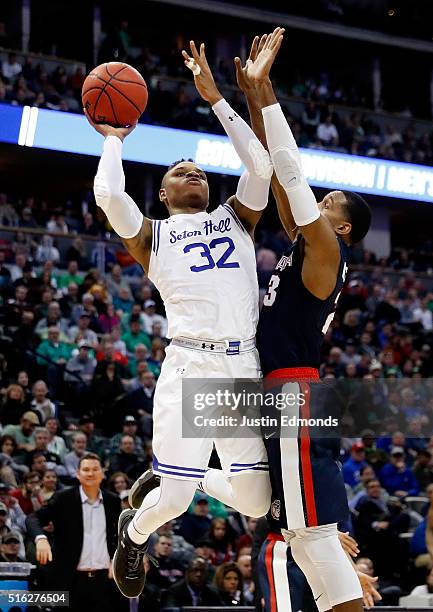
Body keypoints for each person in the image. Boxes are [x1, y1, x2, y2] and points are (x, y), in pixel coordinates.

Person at [84, 35, 273, 598]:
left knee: (258, 502)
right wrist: (115, 140)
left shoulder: (238, 218)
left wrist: (217, 99)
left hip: (243, 368)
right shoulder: (154, 235)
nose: (191, 170)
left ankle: (171, 478)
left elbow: (260, 167)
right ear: (163, 195)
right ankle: (133, 532)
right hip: (191, 366)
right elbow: (108, 196)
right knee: (172, 502)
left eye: (196, 168)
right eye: (178, 170)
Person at [241, 28, 372, 612]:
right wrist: (250, 90)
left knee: (309, 540)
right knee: (290, 525)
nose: (315, 205)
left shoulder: (327, 254)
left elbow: (292, 177)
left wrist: (268, 88)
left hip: (294, 393)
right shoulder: (308, 246)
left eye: (327, 205)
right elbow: (276, 173)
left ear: (340, 228)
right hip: (276, 390)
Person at [26, 453, 122, 612]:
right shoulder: (63, 498)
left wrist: (118, 558)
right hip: (69, 580)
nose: (90, 473)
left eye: (95, 469)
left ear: (102, 474)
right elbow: (33, 518)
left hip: (103, 580)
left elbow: (121, 534)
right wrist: (41, 538)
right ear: (78, 474)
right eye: (85, 469)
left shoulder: (113, 501)